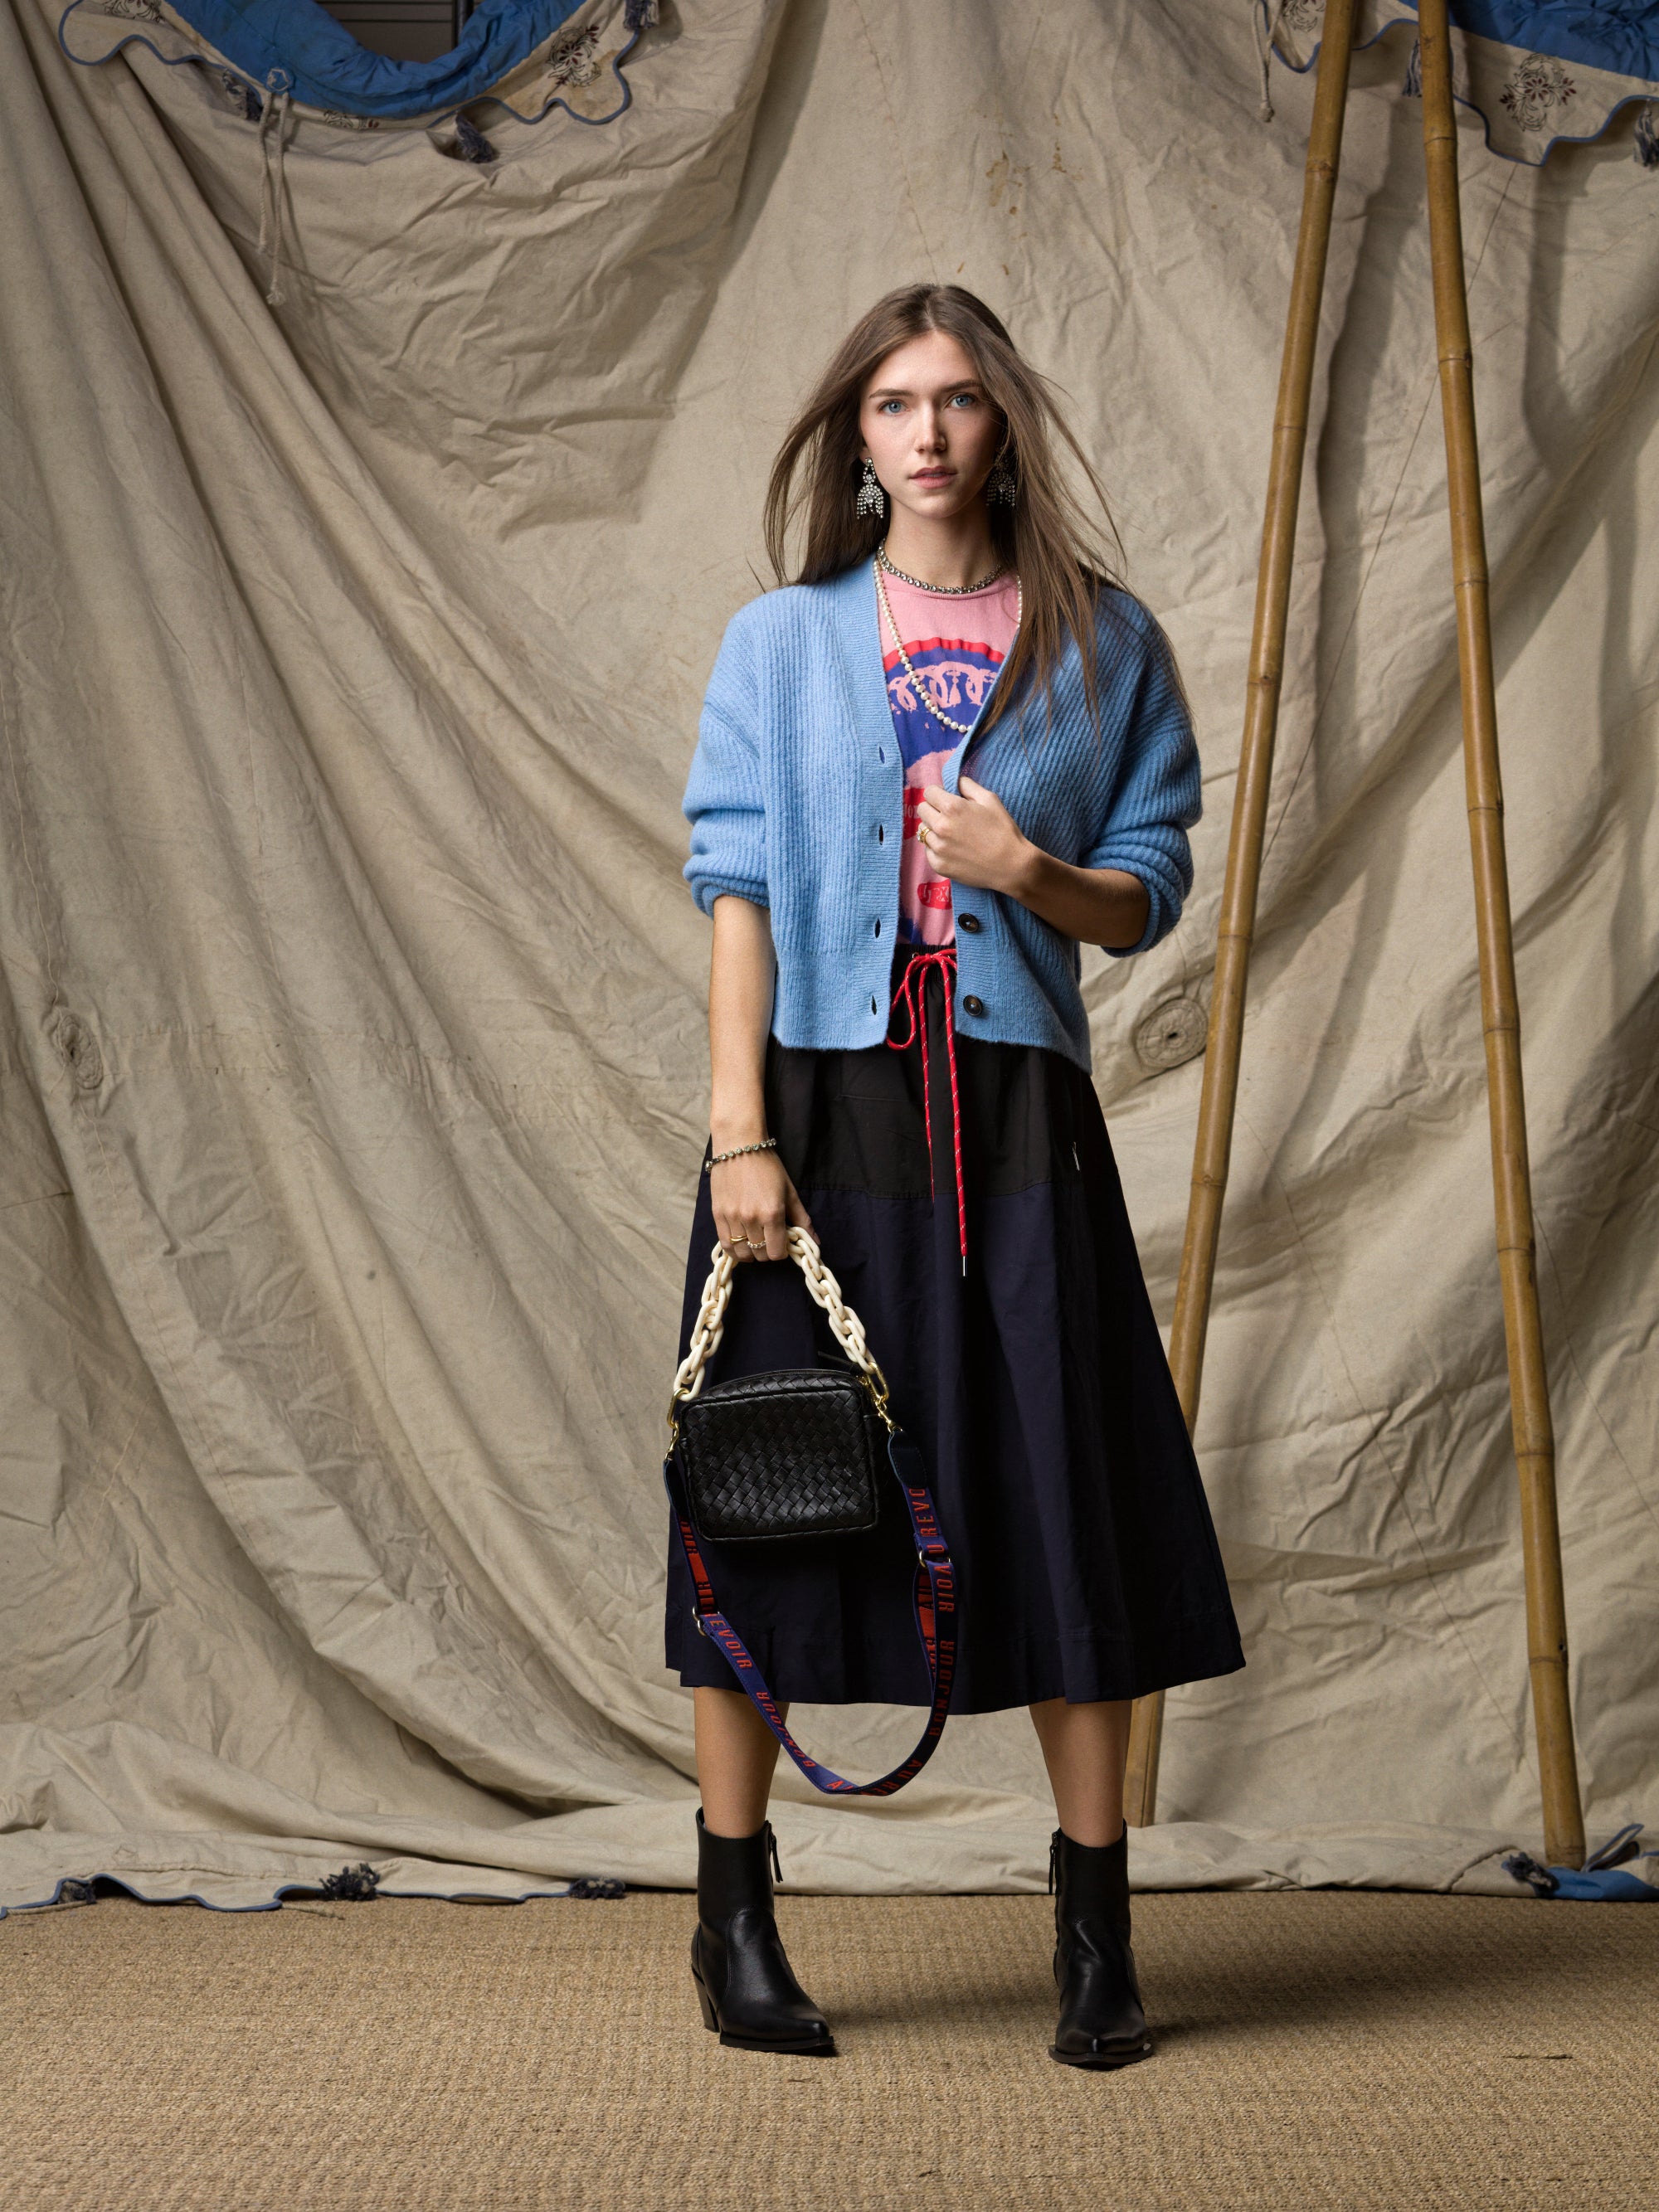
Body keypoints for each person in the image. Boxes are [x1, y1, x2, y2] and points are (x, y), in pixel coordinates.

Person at [669, 284, 1243, 2069]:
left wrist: (1025, 863)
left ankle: (1095, 1938)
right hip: (818, 1111)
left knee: (1064, 1492)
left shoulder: (1102, 637)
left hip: (1011, 1108)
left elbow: (1149, 884)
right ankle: (733, 1915)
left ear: (1006, 427)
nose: (929, 432)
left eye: (962, 401)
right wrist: (737, 1131)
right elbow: (737, 889)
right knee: (774, 1485)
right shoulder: (780, 640)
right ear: (855, 432)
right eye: (898, 402)